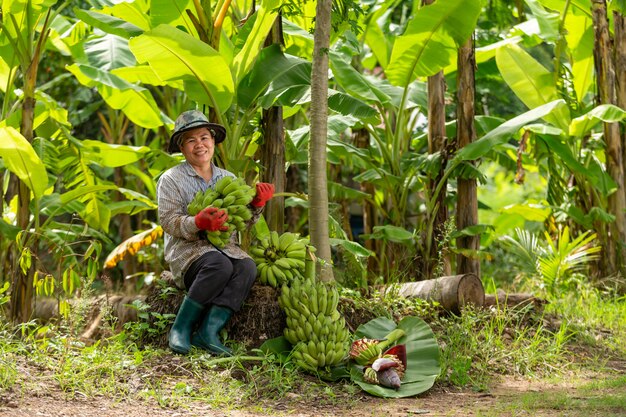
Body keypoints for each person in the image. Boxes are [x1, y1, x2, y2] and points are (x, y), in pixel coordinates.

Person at [156, 110, 275, 356]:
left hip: (225, 247)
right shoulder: (171, 179)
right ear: (181, 147)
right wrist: (198, 222)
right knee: (218, 265)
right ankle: (181, 327)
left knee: (247, 267)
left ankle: (208, 331)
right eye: (191, 140)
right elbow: (168, 220)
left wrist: (257, 205)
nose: (199, 145)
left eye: (204, 137)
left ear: (213, 141)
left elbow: (242, 222)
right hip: (187, 251)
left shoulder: (228, 179)